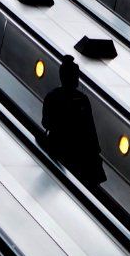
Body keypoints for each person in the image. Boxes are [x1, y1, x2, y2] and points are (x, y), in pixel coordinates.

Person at [41, 55, 105, 186]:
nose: (77, 79)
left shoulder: (53, 96)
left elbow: (45, 122)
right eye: (75, 76)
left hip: (59, 150)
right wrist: (95, 150)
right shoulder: (81, 99)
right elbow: (90, 128)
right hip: (79, 154)